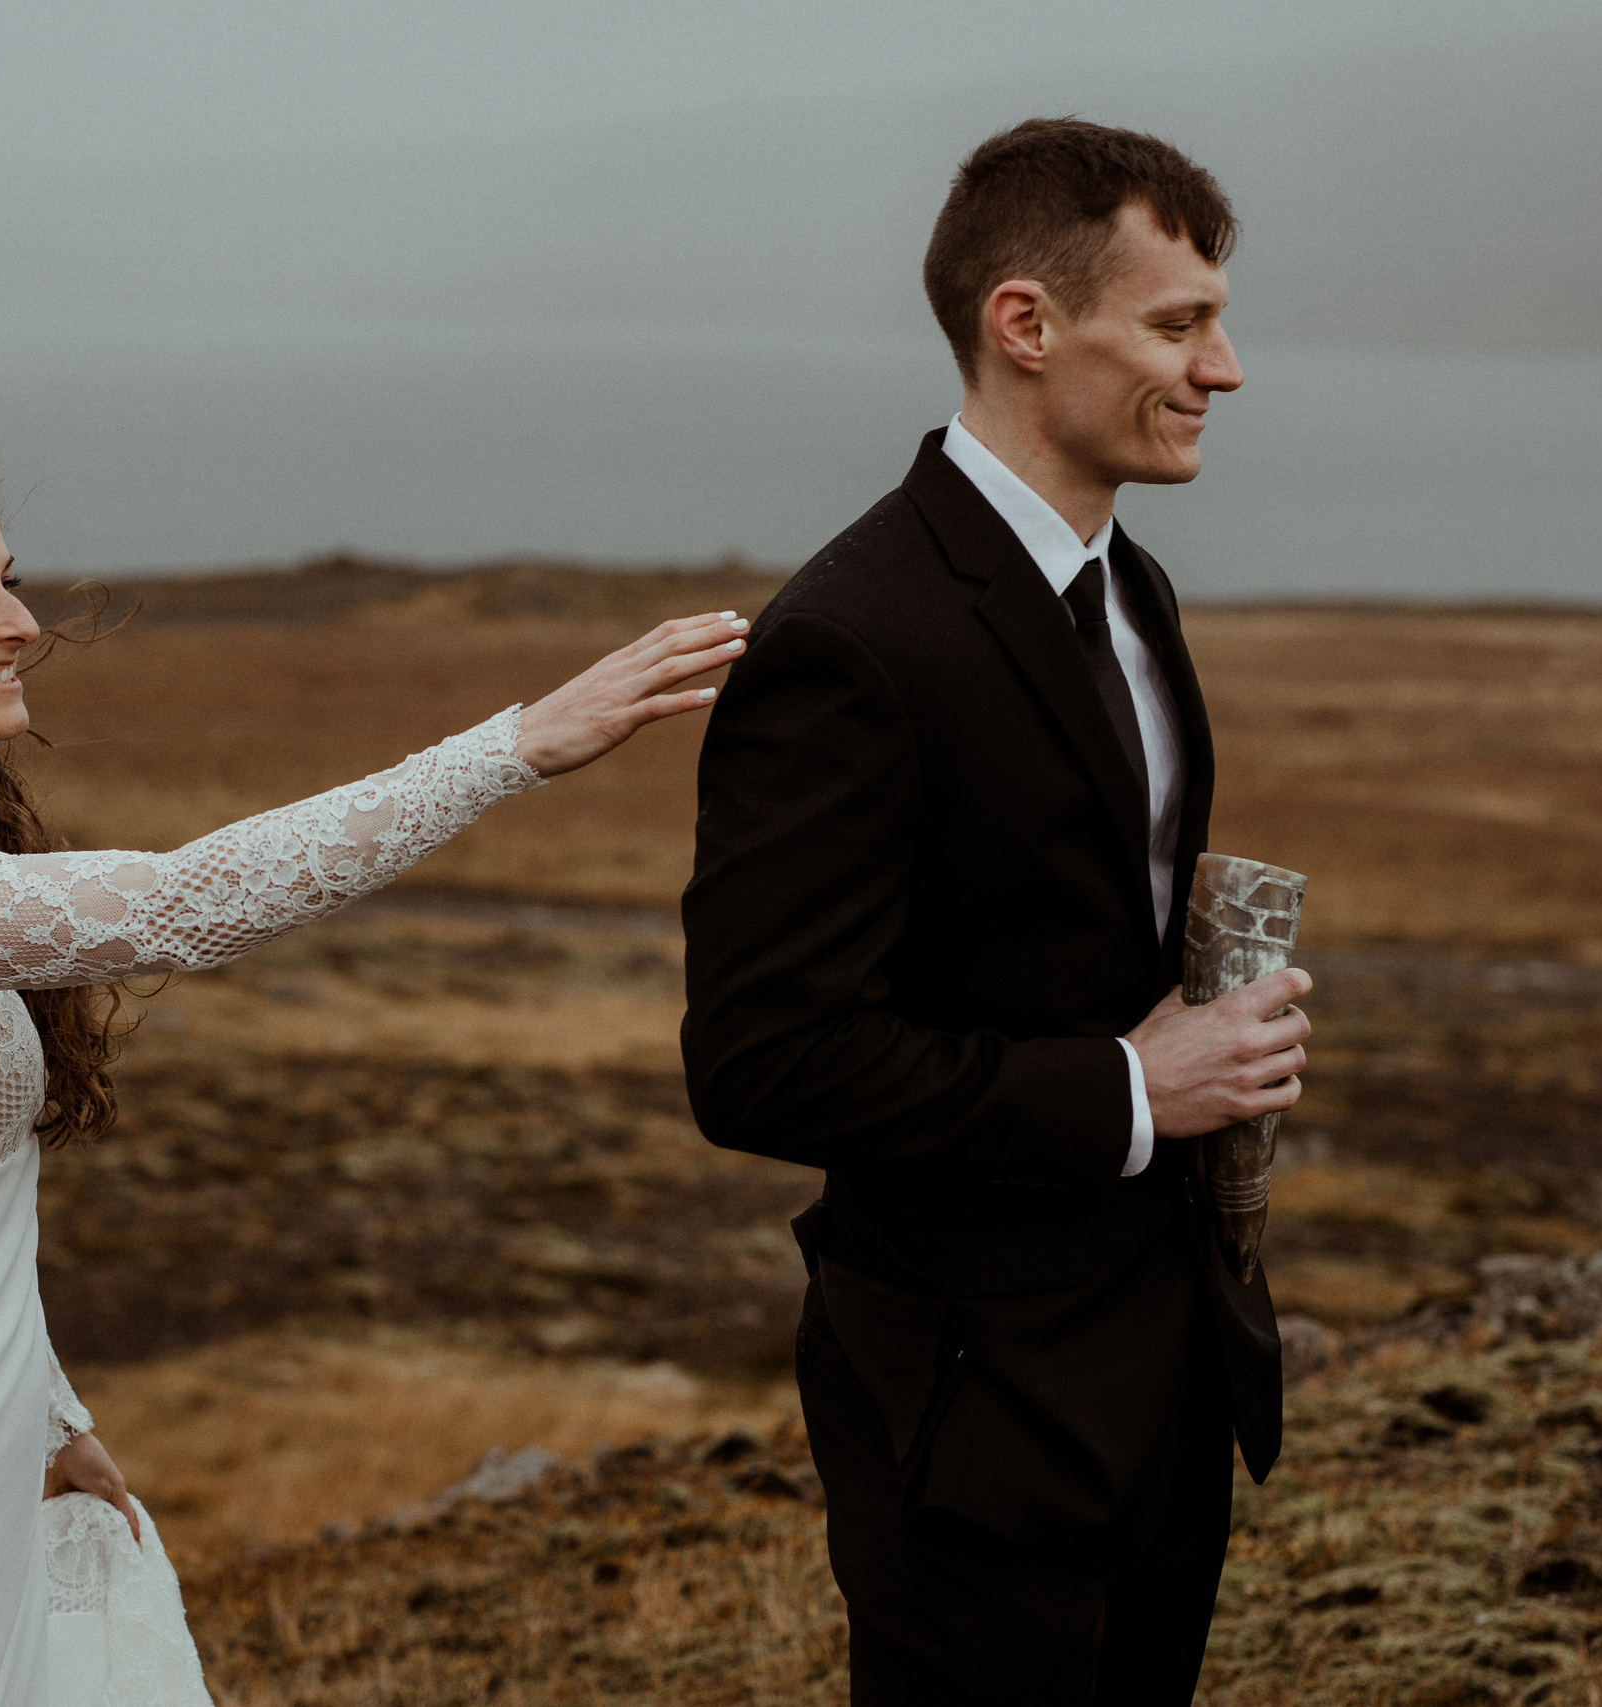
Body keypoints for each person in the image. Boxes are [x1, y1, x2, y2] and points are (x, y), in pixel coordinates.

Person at [0, 413, 749, 1707]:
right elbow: (182, 903)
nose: (19, 620)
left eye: (7, 577)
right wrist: (514, 746)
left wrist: (49, 1419)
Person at [679, 119, 1310, 1704]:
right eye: (1179, 325)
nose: (1223, 370)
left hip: (1167, 1369)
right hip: (970, 1411)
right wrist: (1127, 1089)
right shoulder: (851, 640)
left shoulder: (1135, 585)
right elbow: (761, 1061)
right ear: (1025, 324)